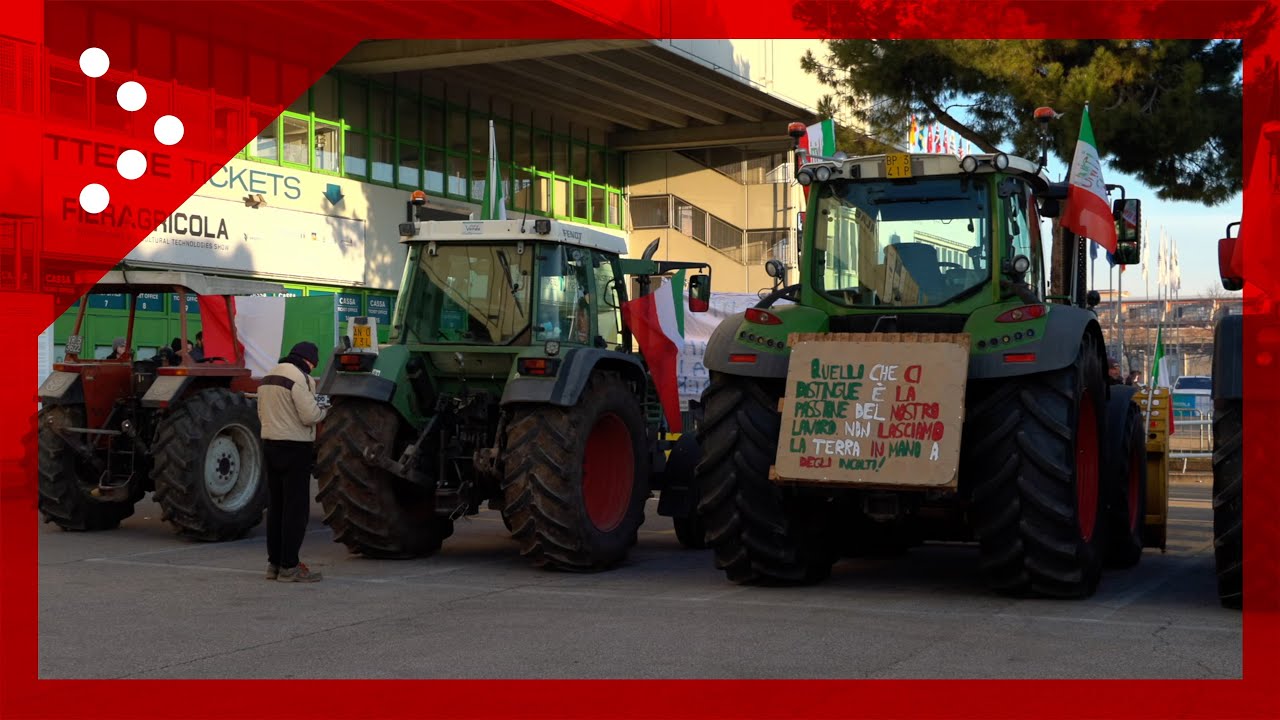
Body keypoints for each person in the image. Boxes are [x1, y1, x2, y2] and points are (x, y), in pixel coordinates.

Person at [258, 341, 329, 583]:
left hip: (270, 444)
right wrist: (324, 411)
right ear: (309, 361)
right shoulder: (301, 378)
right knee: (295, 510)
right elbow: (310, 415)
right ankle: (289, 566)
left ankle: (274, 564)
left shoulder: (268, 376)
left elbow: (260, 412)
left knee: (276, 507)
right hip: (295, 448)